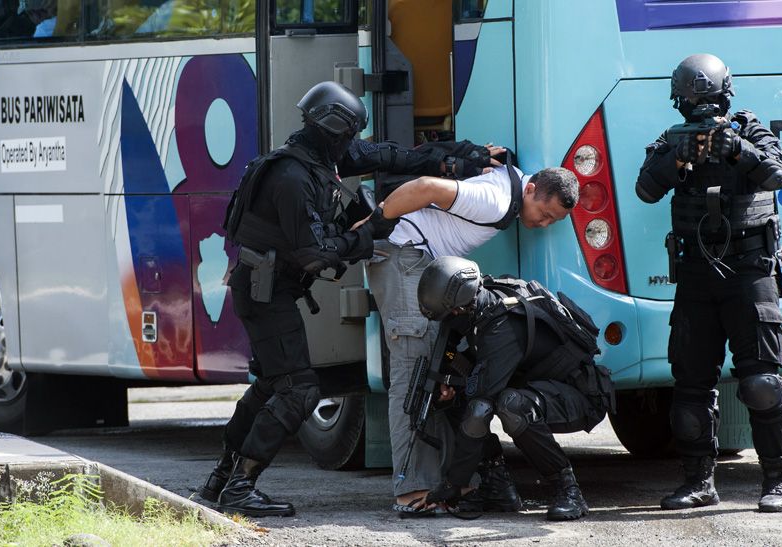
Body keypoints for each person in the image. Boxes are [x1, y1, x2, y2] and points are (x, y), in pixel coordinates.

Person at [199, 81, 500, 517]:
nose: (353, 145)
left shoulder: (319, 156)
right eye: (349, 136)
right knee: (299, 392)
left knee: (270, 385)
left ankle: (221, 480)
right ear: (334, 129)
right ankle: (240, 486)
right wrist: (371, 229)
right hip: (266, 294)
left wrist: (463, 155)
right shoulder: (292, 177)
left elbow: (390, 155)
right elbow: (314, 254)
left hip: (266, 290)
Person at [365, 155, 580, 514]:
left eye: (552, 221)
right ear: (530, 189)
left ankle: (449, 485)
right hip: (405, 258)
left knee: (433, 378)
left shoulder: (507, 183)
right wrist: (372, 224)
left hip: (418, 262)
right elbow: (424, 188)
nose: (543, 224)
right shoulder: (496, 201)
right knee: (413, 374)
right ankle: (411, 490)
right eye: (544, 214)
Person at [635, 53, 782, 512]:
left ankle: (777, 482)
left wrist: (736, 150)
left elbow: (778, 174)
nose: (698, 110)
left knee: (762, 382)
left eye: (704, 100)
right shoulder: (672, 140)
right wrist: (675, 162)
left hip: (749, 271)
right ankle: (698, 481)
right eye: (690, 102)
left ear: (725, 95)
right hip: (696, 274)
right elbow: (645, 189)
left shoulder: (749, 129)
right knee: (690, 386)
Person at [415, 256, 613, 520]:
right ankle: (496, 489)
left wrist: (452, 485)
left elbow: (480, 408)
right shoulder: (482, 301)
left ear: (460, 306)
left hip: (581, 396)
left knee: (509, 406)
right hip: (542, 387)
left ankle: (568, 491)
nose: (450, 318)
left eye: (450, 313)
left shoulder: (502, 323)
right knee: (460, 396)